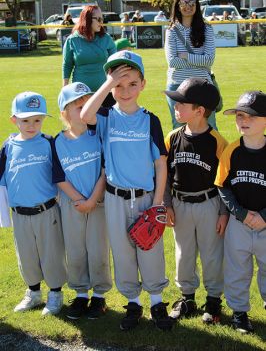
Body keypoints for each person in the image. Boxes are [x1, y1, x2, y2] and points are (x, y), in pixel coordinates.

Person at [80, 50, 173, 332]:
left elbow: (160, 165)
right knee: (122, 252)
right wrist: (108, 84)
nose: (125, 90)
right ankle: (133, 303)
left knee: (151, 251)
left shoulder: (150, 119)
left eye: (132, 83)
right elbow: (85, 114)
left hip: (145, 199)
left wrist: (157, 205)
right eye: (119, 84)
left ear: (143, 84)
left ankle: (157, 302)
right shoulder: (106, 116)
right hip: (115, 198)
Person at [163, 77, 229, 324]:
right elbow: (165, 175)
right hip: (180, 204)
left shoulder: (217, 142)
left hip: (209, 204)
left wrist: (223, 212)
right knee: (183, 253)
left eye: (181, 104)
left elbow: (224, 182)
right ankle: (187, 297)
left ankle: (213, 301)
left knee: (212, 253)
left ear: (200, 111)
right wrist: (167, 203)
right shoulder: (173, 137)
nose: (176, 107)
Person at [0, 92, 66, 315]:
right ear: (14, 120)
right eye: (25, 120)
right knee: (26, 254)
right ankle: (34, 293)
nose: (31, 125)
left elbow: (60, 176)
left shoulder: (49, 142)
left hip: (46, 210)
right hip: (19, 213)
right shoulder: (8, 147)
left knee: (51, 253)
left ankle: (55, 294)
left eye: (37, 120)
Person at [54, 82, 112, 319]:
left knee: (98, 250)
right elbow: (58, 176)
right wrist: (79, 200)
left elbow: (104, 171)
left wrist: (92, 199)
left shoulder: (97, 135)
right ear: (64, 113)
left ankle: (99, 296)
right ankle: (80, 293)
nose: (85, 109)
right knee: (76, 250)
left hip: (98, 202)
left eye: (88, 104)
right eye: (78, 106)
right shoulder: (56, 141)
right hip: (71, 204)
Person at [215, 90, 266, 334]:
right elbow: (222, 186)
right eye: (239, 115)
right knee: (237, 268)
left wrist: (263, 217)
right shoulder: (232, 150)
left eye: (251, 116)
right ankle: (239, 312)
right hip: (239, 221)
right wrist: (242, 214)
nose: (243, 120)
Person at [165, 0, 216, 130]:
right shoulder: (171, 30)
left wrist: (186, 56)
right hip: (177, 86)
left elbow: (209, 60)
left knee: (209, 128)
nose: (188, 6)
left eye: (191, 2)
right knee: (179, 129)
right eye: (184, 3)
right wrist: (198, 60)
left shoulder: (207, 29)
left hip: (203, 87)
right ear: (178, 6)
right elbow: (172, 62)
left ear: (197, 4)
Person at [62, 5, 116, 108]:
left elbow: (115, 63)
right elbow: (67, 65)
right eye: (98, 19)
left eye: (102, 19)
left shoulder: (106, 39)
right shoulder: (72, 40)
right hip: (81, 95)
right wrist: (65, 88)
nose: (101, 22)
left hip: (105, 94)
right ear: (87, 19)